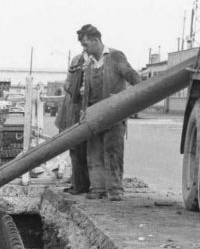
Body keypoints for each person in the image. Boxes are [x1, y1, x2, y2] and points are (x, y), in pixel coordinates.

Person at [77, 24, 141, 202]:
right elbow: (86, 91)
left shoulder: (115, 57)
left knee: (113, 152)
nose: (85, 49)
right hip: (93, 116)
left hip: (114, 115)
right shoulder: (88, 64)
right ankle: (97, 188)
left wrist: (134, 97)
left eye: (86, 45)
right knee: (94, 152)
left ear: (96, 41)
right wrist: (84, 112)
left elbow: (132, 76)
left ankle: (115, 190)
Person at [55, 51, 90, 195]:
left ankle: (83, 185)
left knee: (84, 152)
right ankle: (78, 184)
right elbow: (68, 85)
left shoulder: (93, 61)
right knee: (75, 150)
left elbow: (69, 85)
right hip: (74, 111)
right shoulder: (77, 60)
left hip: (84, 111)